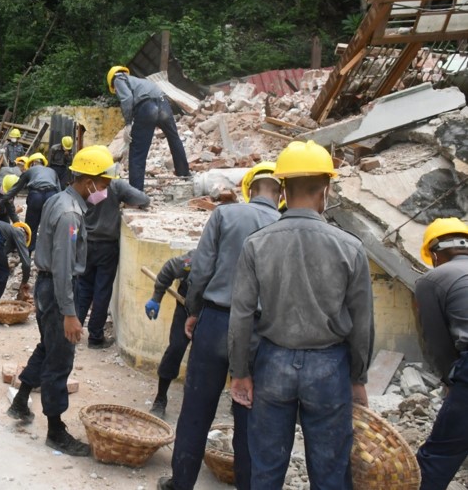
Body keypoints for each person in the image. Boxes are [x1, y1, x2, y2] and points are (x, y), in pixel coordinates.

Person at [227, 141, 373, 490]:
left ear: (283, 190)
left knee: (266, 469)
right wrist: (358, 376)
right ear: (325, 190)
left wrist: (240, 372)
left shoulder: (257, 243)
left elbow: (242, 315)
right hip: (329, 367)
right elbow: (362, 323)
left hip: (273, 362)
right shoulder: (350, 247)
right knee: (330, 473)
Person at [159, 162, 281, 490]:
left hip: (216, 320)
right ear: (280, 194)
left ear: (249, 190)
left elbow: (200, 270)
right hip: (258, 331)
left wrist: (194, 310)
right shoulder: (284, 227)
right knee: (249, 417)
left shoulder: (225, 215)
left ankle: (181, 483)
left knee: (195, 410)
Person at [6, 146, 117, 457]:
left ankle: (20, 401)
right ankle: (56, 431)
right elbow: (64, 266)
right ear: (88, 182)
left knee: (48, 346)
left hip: (47, 286)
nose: (105, 191)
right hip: (58, 289)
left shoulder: (59, 199)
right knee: (61, 359)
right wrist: (70, 312)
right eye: (103, 184)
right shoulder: (70, 213)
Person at [413, 218, 468, 490]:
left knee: (439, 454)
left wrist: (450, 381)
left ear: (434, 255)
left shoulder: (432, 280)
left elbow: (436, 342)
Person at [75, 175, 150, 348]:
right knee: (102, 291)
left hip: (85, 244)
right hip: (106, 246)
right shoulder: (115, 185)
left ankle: (73, 333)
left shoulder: (84, 183)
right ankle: (95, 337)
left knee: (84, 288)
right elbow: (144, 200)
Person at [107, 66, 190, 191]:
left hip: (147, 107)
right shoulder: (138, 81)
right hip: (163, 104)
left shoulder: (118, 79)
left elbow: (127, 98)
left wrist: (128, 123)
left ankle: (136, 192)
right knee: (174, 139)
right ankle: (184, 173)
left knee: (137, 151)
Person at [144, 251, 194, 419]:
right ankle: (160, 398)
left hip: (211, 313)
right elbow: (169, 269)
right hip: (186, 307)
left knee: (205, 358)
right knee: (176, 349)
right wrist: (156, 298)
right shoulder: (194, 260)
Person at [0, 152, 60, 252]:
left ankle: (27, 252)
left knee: (31, 227)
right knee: (49, 226)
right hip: (51, 196)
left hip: (36, 196)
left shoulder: (29, 171)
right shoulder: (52, 171)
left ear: (32, 163)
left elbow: (14, 189)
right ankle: (48, 252)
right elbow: (59, 190)